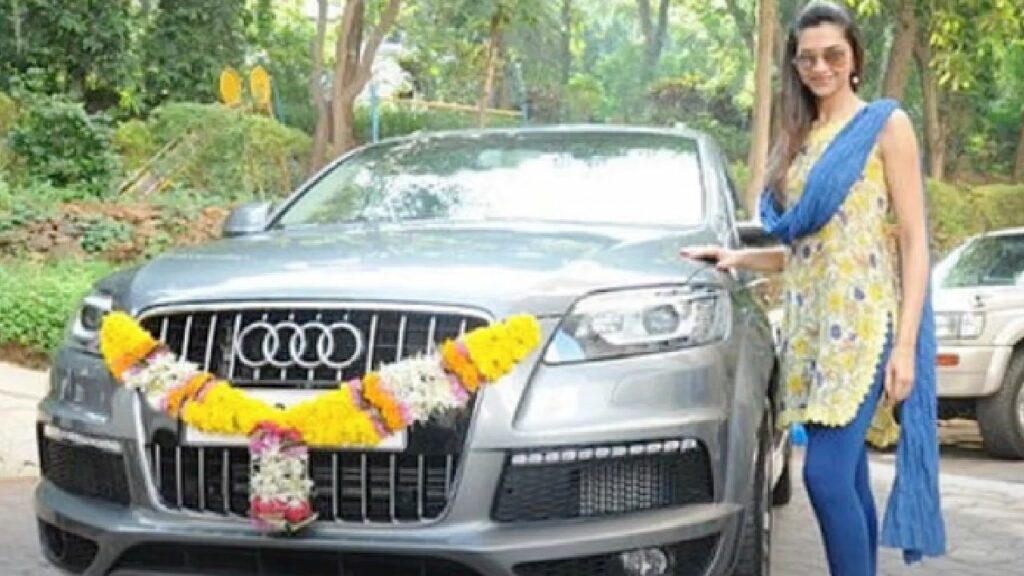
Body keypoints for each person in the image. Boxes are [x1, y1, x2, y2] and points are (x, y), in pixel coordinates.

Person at [682, 2, 945, 574]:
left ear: (854, 59)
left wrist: (904, 349)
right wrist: (737, 257)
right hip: (806, 330)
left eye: (833, 55)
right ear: (795, 65)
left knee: (822, 476)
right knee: (846, 477)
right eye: (807, 58)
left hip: (862, 327)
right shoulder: (798, 138)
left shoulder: (885, 125)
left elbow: (915, 242)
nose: (819, 67)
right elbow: (805, 253)